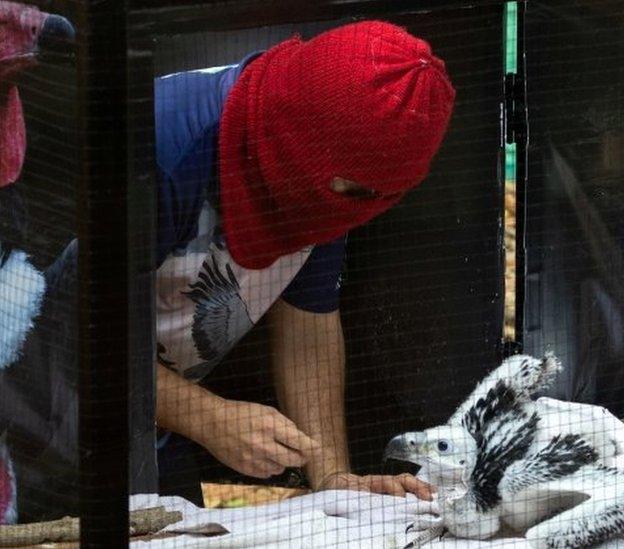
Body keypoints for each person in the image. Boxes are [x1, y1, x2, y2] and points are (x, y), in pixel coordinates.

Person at [154, 20, 455, 503]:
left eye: (377, 196)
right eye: (352, 188)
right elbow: (73, 342)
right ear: (300, 142)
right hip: (24, 422)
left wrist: (333, 477)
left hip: (148, 431)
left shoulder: (327, 186)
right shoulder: (163, 147)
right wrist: (207, 416)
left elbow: (308, 328)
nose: (356, 209)